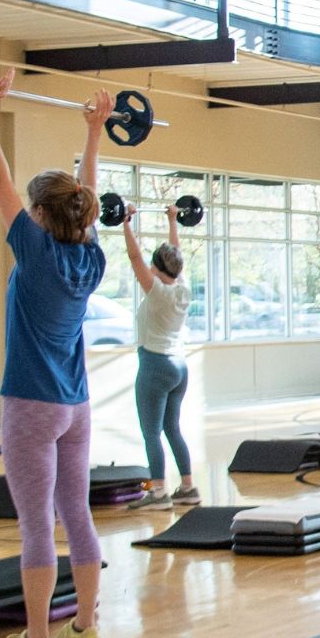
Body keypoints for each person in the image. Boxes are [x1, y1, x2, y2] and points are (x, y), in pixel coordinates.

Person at [0, 71, 108, 638]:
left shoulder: (34, 255)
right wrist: (94, 132)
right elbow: (85, 198)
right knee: (75, 514)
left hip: (31, 405)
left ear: (35, 215)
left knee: (36, 526)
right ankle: (85, 628)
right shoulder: (89, 255)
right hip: (76, 406)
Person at [119, 201, 199, 510]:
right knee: (172, 429)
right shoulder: (182, 288)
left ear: (155, 268)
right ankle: (188, 488)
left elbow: (134, 256)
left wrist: (126, 222)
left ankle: (158, 493)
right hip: (179, 367)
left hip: (154, 366)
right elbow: (175, 254)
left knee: (151, 432)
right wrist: (172, 220)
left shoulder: (157, 291)